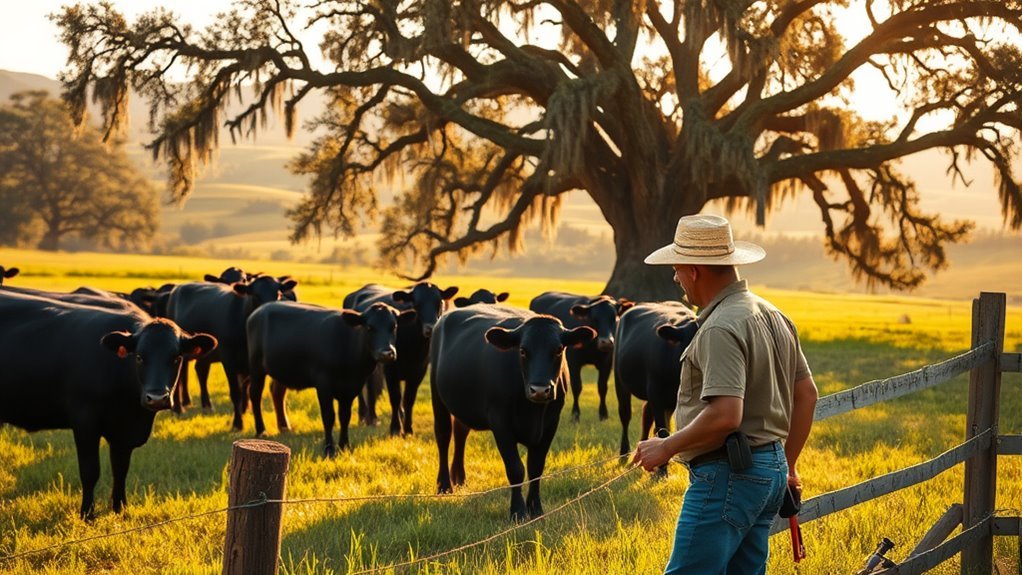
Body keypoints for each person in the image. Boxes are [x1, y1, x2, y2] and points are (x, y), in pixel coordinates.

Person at [632, 214, 818, 574]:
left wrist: (665, 447)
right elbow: (807, 394)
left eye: (676, 268)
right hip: (770, 469)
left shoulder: (720, 326)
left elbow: (726, 415)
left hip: (728, 474)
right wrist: (788, 464)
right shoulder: (773, 314)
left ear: (694, 270)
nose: (675, 278)